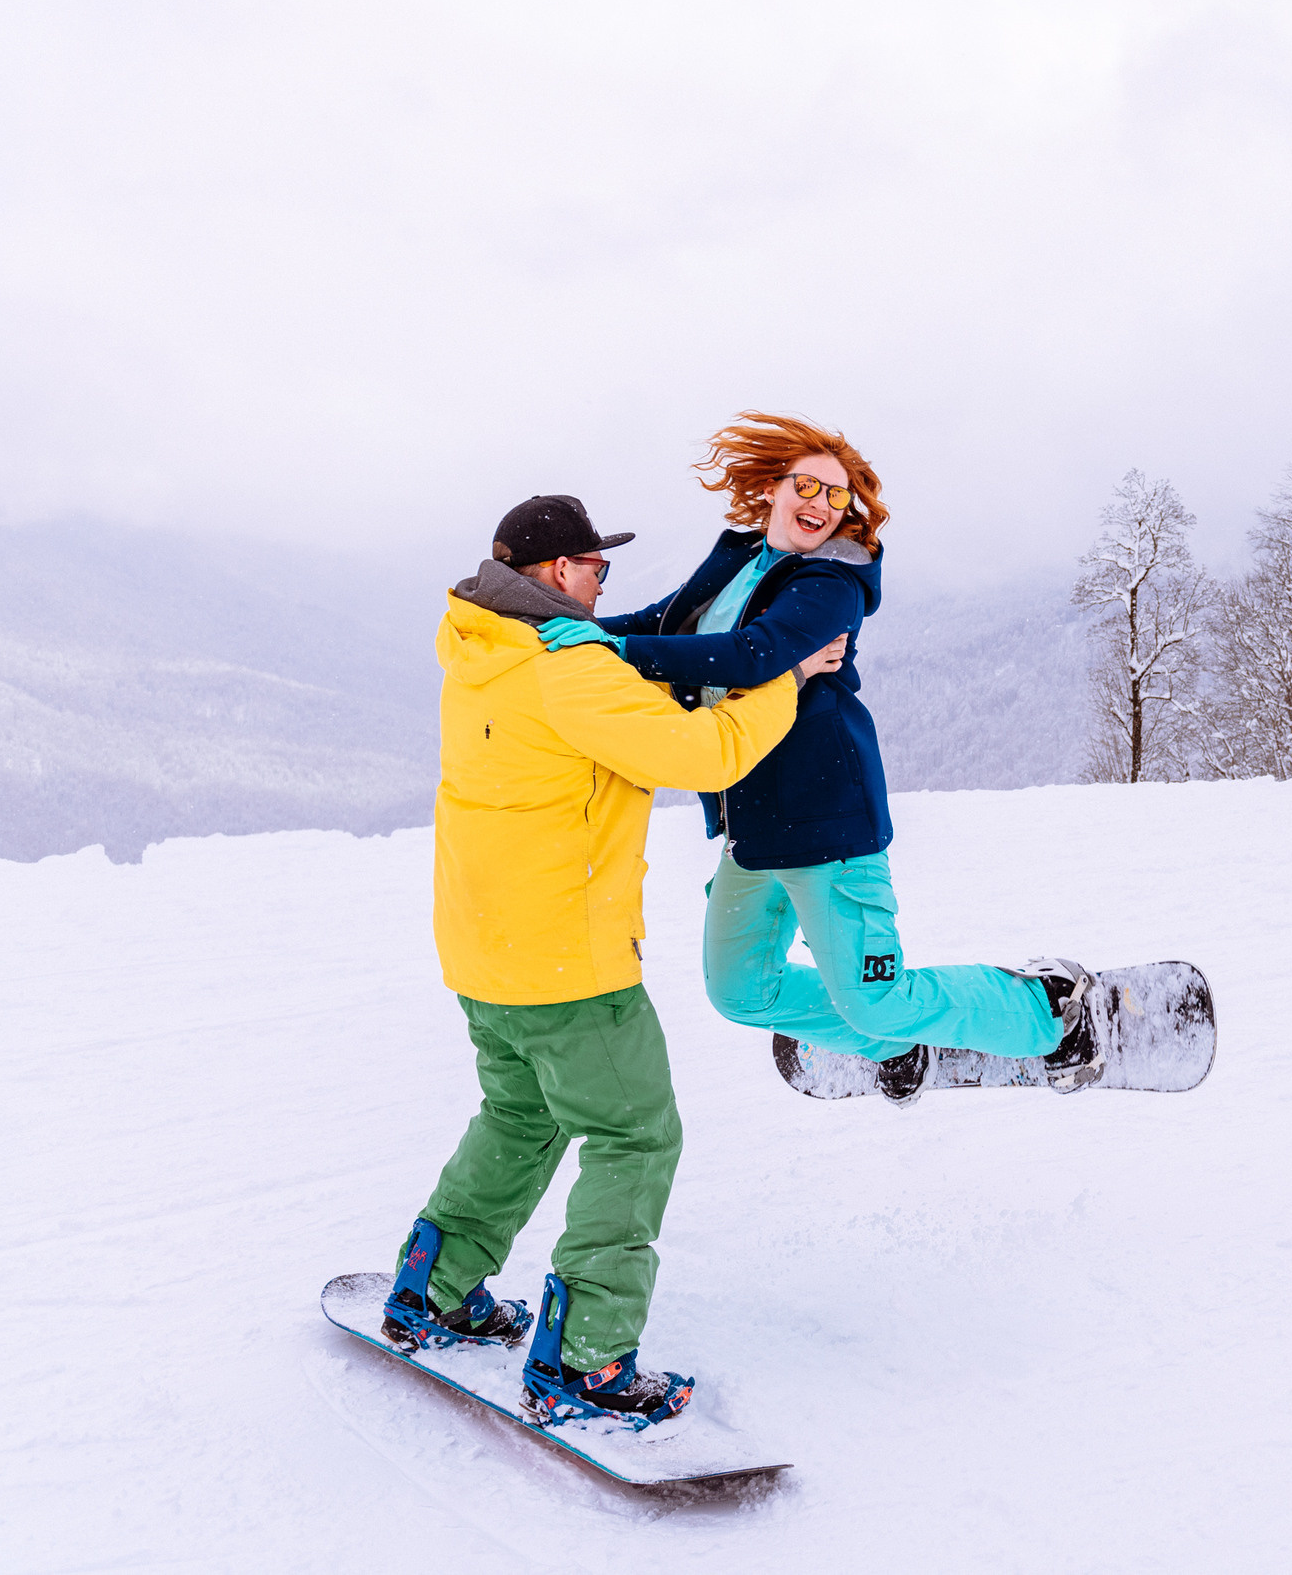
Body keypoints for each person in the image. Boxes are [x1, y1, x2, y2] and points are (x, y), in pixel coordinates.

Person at [380, 493, 844, 1431]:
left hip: (482, 948)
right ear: (557, 573)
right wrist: (786, 677)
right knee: (635, 1134)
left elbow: (604, 718)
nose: (602, 580)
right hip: (569, 963)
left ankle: (433, 1289)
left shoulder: (478, 652)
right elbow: (708, 753)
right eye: (596, 565)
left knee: (523, 1113)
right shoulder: (568, 671)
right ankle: (585, 1359)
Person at [535, 412, 1099, 1108]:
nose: (820, 505)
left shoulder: (832, 583)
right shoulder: (744, 561)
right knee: (739, 989)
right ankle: (896, 1040)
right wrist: (570, 631)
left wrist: (617, 654)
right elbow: (662, 622)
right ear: (775, 486)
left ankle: (1054, 1007)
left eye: (837, 497)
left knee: (877, 997)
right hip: (756, 830)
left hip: (828, 821)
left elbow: (756, 654)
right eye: (808, 485)